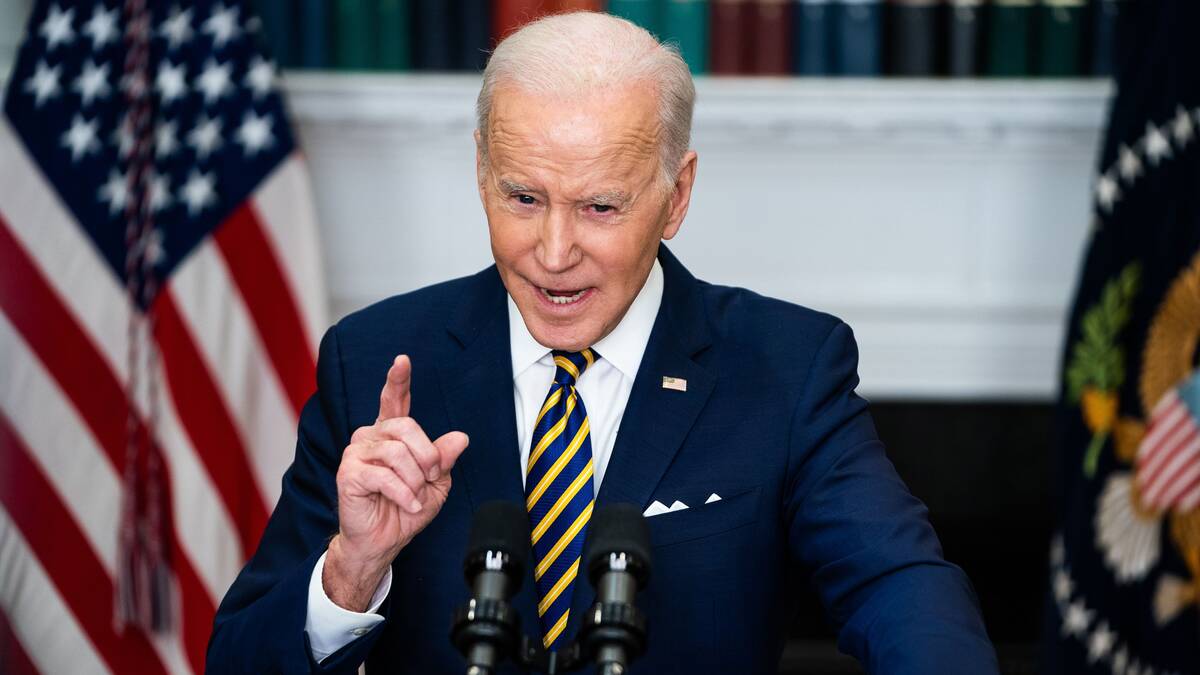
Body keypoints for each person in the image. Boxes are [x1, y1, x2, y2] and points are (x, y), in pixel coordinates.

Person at [207, 12, 998, 674]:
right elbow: (239, 658)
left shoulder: (786, 368)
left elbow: (900, 588)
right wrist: (352, 567)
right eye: (523, 197)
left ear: (676, 195)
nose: (553, 252)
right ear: (482, 174)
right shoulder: (373, 361)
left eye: (599, 208)